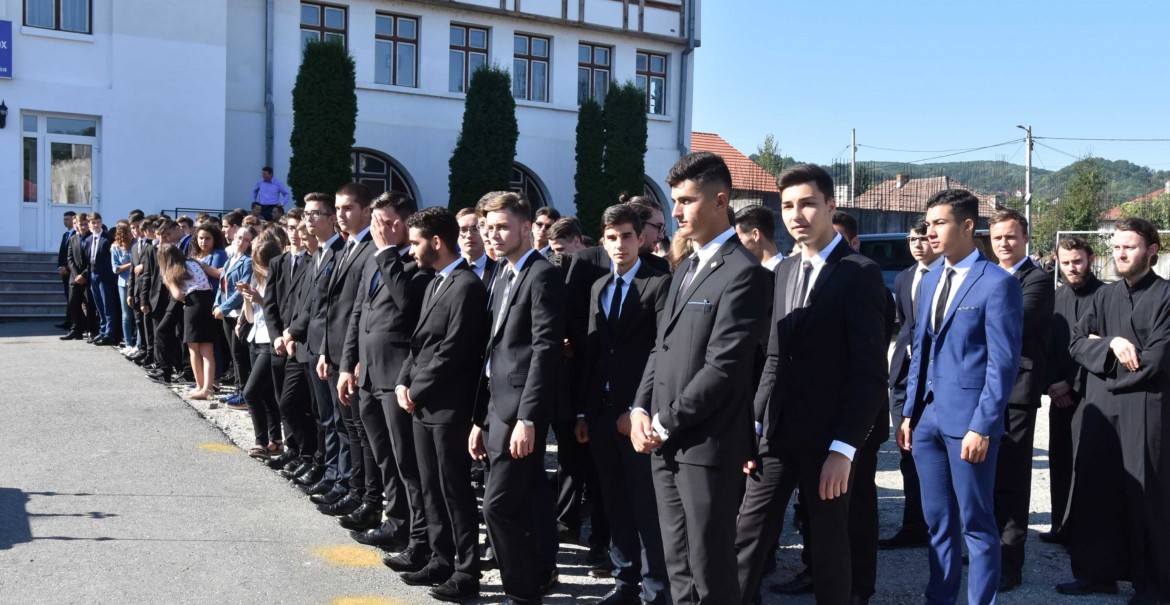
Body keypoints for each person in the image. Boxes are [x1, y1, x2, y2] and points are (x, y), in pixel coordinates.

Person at [735, 165, 886, 605]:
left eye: (807, 204)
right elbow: (775, 357)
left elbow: (870, 373)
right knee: (747, 537)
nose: (796, 214)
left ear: (830, 206)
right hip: (777, 434)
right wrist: (755, 425)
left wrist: (844, 449)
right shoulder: (784, 270)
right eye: (787, 206)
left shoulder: (860, 272)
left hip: (828, 439)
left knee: (829, 548)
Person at [631, 152, 771, 605]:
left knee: (710, 573)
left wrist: (664, 421)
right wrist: (639, 409)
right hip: (664, 440)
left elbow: (724, 368)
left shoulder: (744, 273)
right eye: (674, 200)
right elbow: (661, 348)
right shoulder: (685, 268)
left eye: (686, 200)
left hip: (707, 447)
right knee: (678, 570)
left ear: (720, 201)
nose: (675, 211)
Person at [899, 189, 1023, 605]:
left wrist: (983, 426)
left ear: (968, 226)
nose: (929, 232)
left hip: (969, 424)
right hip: (927, 420)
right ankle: (940, 598)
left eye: (939, 223)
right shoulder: (931, 277)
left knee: (977, 523)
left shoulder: (998, 283)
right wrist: (909, 412)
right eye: (928, 223)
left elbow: (1002, 364)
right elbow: (921, 348)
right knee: (937, 521)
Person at [1061, 218, 1170, 604]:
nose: (1120, 253)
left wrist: (1107, 372)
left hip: (1145, 406)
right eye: (1117, 246)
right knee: (1096, 487)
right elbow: (1076, 341)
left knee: (1145, 494)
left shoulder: (1166, 296)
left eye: (1130, 247)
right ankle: (1098, 573)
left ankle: (1153, 584)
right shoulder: (1105, 296)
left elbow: (1156, 359)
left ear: (1151, 251)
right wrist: (1110, 343)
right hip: (1102, 406)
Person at [470, 191, 564, 605]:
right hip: (496, 408)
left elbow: (545, 350)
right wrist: (479, 419)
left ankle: (522, 593)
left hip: (520, 412)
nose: (493, 234)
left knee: (498, 508)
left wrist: (528, 418)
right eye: (488, 227)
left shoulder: (541, 274)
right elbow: (493, 351)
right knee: (518, 505)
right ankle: (534, 579)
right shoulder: (502, 273)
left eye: (502, 227)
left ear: (526, 228)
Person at [579, 203, 672, 605]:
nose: (620, 244)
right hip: (600, 413)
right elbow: (594, 353)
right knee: (614, 501)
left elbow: (661, 352)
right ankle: (625, 582)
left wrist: (638, 409)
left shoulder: (659, 283)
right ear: (603, 241)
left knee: (646, 505)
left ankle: (656, 589)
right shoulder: (598, 287)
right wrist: (584, 411)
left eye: (627, 236)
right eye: (612, 237)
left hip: (637, 415)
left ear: (641, 238)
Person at [394, 206, 488, 602]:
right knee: (430, 486)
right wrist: (403, 381)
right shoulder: (435, 282)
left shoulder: (466, 286)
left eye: (416, 242)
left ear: (436, 242)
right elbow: (420, 344)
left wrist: (415, 390)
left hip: (448, 406)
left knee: (454, 490)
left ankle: (466, 572)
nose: (411, 250)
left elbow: (454, 350)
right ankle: (440, 558)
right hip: (423, 404)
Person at [337, 192, 431, 563]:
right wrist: (348, 364)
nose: (381, 230)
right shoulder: (377, 259)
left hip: (396, 375)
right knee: (384, 457)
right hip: (368, 375)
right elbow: (359, 315)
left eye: (388, 222)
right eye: (377, 222)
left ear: (406, 222)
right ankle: (395, 520)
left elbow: (407, 304)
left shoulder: (416, 261)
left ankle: (417, 534)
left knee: (407, 461)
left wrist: (389, 251)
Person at [987, 208, 1053, 592]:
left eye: (1011, 236)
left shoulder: (1037, 280)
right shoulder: (987, 275)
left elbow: (1014, 324)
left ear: (1025, 238)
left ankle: (1010, 563)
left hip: (1016, 393)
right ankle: (987, 549)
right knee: (985, 476)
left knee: (1011, 479)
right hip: (982, 390)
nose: (1004, 243)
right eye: (997, 237)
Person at [315, 183, 376, 520]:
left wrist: (353, 361)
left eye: (348, 207)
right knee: (345, 426)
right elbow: (331, 307)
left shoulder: (371, 249)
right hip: (337, 351)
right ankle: (349, 487)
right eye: (337, 208)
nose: (340, 214)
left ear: (367, 211)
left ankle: (361, 494)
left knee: (357, 430)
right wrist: (326, 351)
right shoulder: (345, 248)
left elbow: (361, 311)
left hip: (354, 356)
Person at [1039, 237, 1103, 544]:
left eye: (1077, 261)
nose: (1072, 267)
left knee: (1089, 465)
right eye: (1065, 262)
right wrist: (1053, 383)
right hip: (1059, 398)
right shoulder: (1057, 297)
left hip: (1093, 396)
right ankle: (1060, 526)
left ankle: (1085, 531)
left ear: (1090, 259)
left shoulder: (1106, 296)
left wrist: (1071, 383)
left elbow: (1100, 348)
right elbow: (1046, 345)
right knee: (1060, 460)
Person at [880, 220, 938, 551]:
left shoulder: (945, 275)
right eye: (913, 239)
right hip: (903, 375)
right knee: (907, 450)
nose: (918, 244)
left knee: (935, 453)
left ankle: (939, 524)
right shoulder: (904, 278)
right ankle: (914, 524)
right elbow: (905, 326)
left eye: (924, 238)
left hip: (935, 378)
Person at [287, 192, 348, 505]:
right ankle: (330, 471)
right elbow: (311, 305)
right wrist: (294, 332)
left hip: (329, 347)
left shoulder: (339, 252)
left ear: (330, 219)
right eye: (306, 214)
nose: (308, 220)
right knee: (325, 416)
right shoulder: (319, 253)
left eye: (315, 214)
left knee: (338, 419)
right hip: (312, 345)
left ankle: (340, 478)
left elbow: (331, 309)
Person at [238, 233, 287, 457]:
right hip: (255, 339)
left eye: (260, 262)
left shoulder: (280, 281)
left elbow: (277, 314)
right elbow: (251, 318)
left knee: (251, 392)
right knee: (266, 394)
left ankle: (261, 442)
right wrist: (247, 298)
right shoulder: (259, 280)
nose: (257, 266)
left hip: (270, 341)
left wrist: (260, 300)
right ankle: (275, 440)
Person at [157, 242, 217, 400]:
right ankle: (208, 388)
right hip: (209, 301)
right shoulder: (193, 262)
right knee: (207, 349)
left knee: (194, 349)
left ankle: (200, 386)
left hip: (193, 303)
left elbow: (178, 295)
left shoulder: (171, 270)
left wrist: (173, 289)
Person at [215, 226, 255, 405]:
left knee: (239, 354)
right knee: (234, 353)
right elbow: (221, 285)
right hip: (227, 312)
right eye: (239, 237)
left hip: (238, 312)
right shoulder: (230, 259)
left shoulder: (247, 261)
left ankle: (243, 393)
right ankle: (238, 389)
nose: (241, 242)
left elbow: (241, 290)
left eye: (246, 240)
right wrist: (217, 304)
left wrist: (223, 308)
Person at [87, 213, 120, 346]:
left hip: (105, 276)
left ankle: (109, 333)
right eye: (93, 222)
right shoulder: (89, 240)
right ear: (89, 224)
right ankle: (102, 330)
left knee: (108, 305)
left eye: (98, 222)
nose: (96, 225)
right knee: (99, 305)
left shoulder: (108, 239)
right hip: (93, 274)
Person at [61, 213, 94, 341]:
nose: (83, 227)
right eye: (81, 224)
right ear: (77, 225)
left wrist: (84, 275)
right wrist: (75, 274)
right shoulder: (73, 238)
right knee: (73, 304)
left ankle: (91, 330)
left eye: (86, 224)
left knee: (89, 305)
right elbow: (69, 258)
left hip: (87, 277)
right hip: (74, 278)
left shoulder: (92, 238)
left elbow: (93, 259)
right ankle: (75, 330)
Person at [112, 220, 138, 354]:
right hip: (123, 284)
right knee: (126, 315)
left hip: (136, 283)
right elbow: (116, 269)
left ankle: (138, 344)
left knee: (137, 315)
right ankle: (128, 343)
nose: (129, 234)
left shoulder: (136, 244)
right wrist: (131, 264)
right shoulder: (115, 247)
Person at [456, 207, 498, 283]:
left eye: (475, 229)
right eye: (463, 230)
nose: (469, 235)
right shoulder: (445, 267)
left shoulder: (497, 269)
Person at [734, 205, 781, 271]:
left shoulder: (791, 271)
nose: (735, 245)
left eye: (739, 239)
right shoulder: (747, 272)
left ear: (755, 234)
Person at [56, 211, 77, 330]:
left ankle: (73, 322)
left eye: (67, 219)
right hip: (64, 271)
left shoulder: (76, 234)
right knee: (67, 297)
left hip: (71, 271)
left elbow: (74, 254)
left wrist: (68, 268)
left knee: (72, 298)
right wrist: (60, 267)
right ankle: (68, 320)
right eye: (64, 219)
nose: (65, 221)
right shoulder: (66, 235)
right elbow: (62, 253)